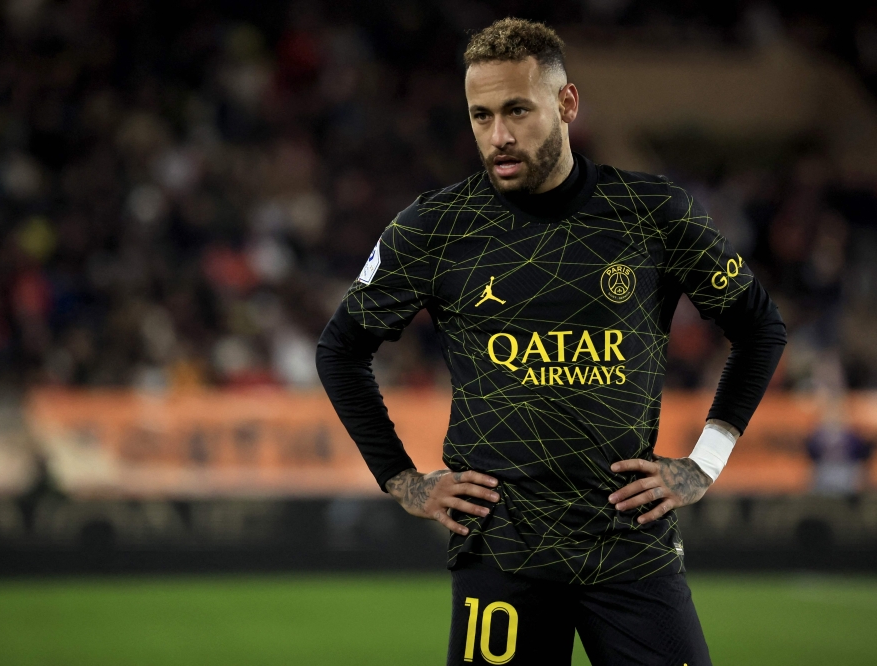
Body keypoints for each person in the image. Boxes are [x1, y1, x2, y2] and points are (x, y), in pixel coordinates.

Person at [316, 17, 786, 666]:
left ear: (566, 103)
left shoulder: (653, 212)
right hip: (501, 551)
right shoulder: (434, 227)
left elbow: (760, 328)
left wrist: (704, 462)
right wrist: (403, 481)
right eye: (480, 116)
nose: (498, 137)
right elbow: (339, 351)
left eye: (517, 110)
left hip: (630, 545)